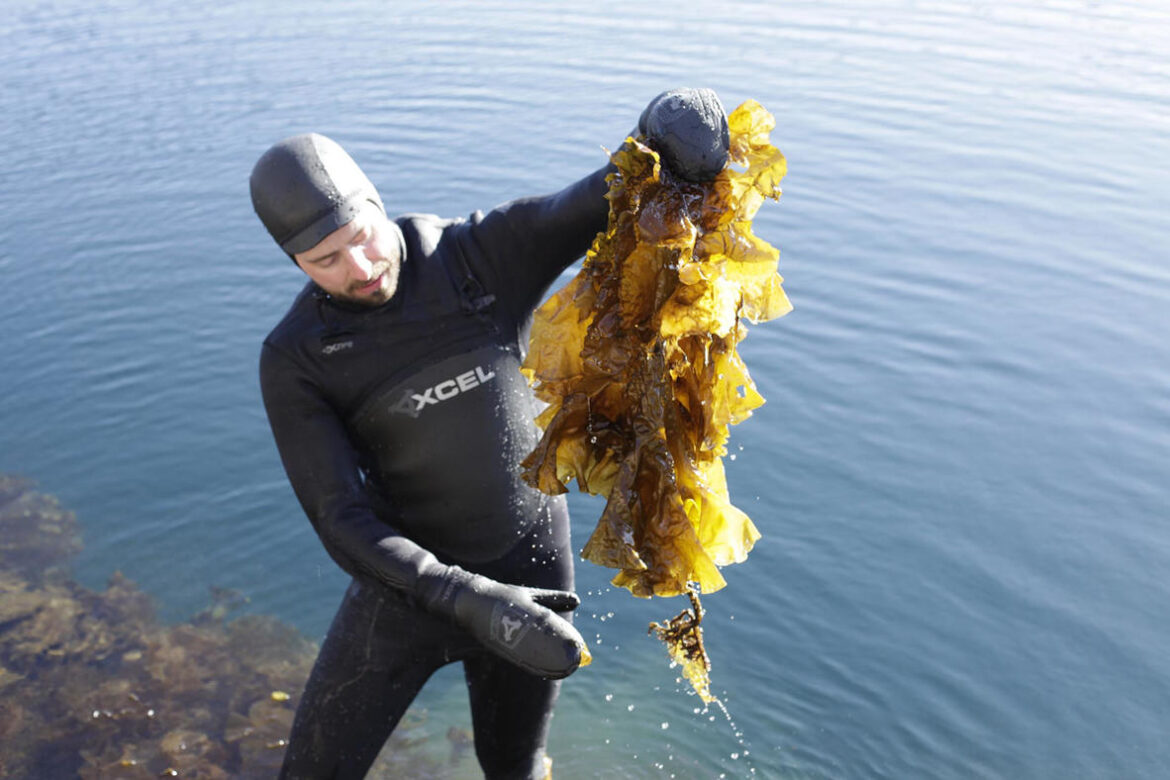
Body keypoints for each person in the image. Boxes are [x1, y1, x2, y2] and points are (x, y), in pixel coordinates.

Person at [250, 89, 729, 780]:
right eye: (325, 259)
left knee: (516, 765)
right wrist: (463, 598)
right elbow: (340, 519)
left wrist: (661, 133)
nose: (358, 268)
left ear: (375, 203)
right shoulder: (298, 358)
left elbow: (600, 196)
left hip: (531, 571)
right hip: (409, 596)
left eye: (360, 237)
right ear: (293, 260)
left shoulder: (476, 258)